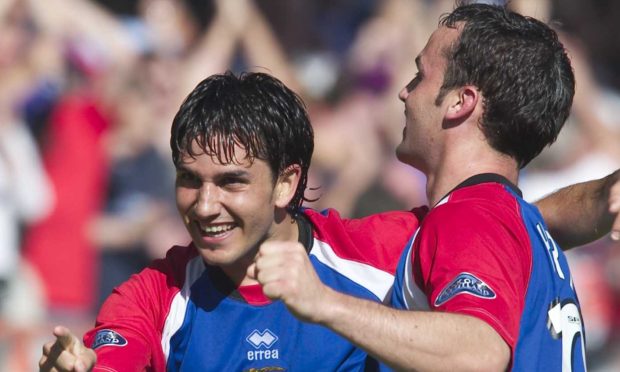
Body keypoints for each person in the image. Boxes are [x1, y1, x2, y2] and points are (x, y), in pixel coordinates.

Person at [39, 68, 620, 370]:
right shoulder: (151, 297)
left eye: (232, 182)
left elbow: (505, 224)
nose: (204, 205)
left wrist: (605, 199)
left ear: (287, 183)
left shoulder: (378, 252)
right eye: (190, 180)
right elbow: (103, 360)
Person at [249, 1, 620, 371]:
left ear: (461, 102)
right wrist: (604, 194)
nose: (404, 93)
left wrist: (324, 303)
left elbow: (478, 353)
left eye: (419, 76)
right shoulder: (514, 221)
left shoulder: (469, 216)